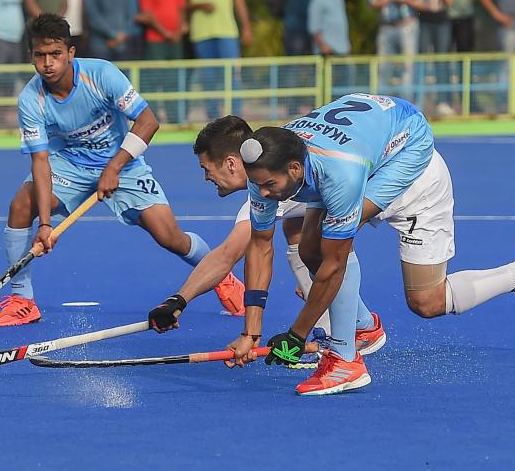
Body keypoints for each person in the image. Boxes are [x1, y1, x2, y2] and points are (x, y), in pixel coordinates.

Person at [222, 94, 515, 395]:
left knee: (426, 301)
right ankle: (361, 330)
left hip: (412, 170)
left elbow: (334, 264)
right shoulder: (265, 166)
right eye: (258, 186)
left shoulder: (339, 175)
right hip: (367, 155)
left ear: (295, 169)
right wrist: (252, 331)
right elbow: (260, 245)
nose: (263, 194)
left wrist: (297, 334)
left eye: (269, 186)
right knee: (311, 248)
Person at [0, 13, 244, 327]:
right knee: (20, 205)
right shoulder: (31, 99)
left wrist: (114, 167)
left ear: (70, 52)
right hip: (68, 164)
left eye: (56, 54)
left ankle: (220, 274)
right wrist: (44, 223)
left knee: (170, 237)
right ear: (31, 57)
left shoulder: (101, 74)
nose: (48, 63)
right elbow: (40, 162)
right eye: (40, 55)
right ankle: (22, 299)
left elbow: (149, 121)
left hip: (124, 163)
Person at [147, 116, 386, 368]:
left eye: (207, 168)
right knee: (297, 229)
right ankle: (355, 327)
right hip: (359, 169)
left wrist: (179, 300)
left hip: (395, 179)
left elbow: (228, 254)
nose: (207, 177)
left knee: (427, 302)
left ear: (230, 163)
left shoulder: (275, 177)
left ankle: (346, 341)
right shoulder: (273, 169)